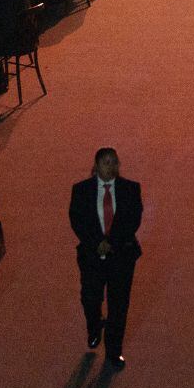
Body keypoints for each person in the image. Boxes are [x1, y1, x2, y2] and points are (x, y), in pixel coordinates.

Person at [69, 146, 143, 368]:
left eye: (114, 162)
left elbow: (133, 220)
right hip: (92, 257)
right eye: (106, 163)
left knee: (119, 305)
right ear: (96, 166)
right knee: (90, 298)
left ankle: (114, 351)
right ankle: (94, 325)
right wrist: (96, 243)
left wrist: (110, 243)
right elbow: (77, 220)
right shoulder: (81, 190)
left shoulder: (130, 189)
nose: (110, 167)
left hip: (121, 255)